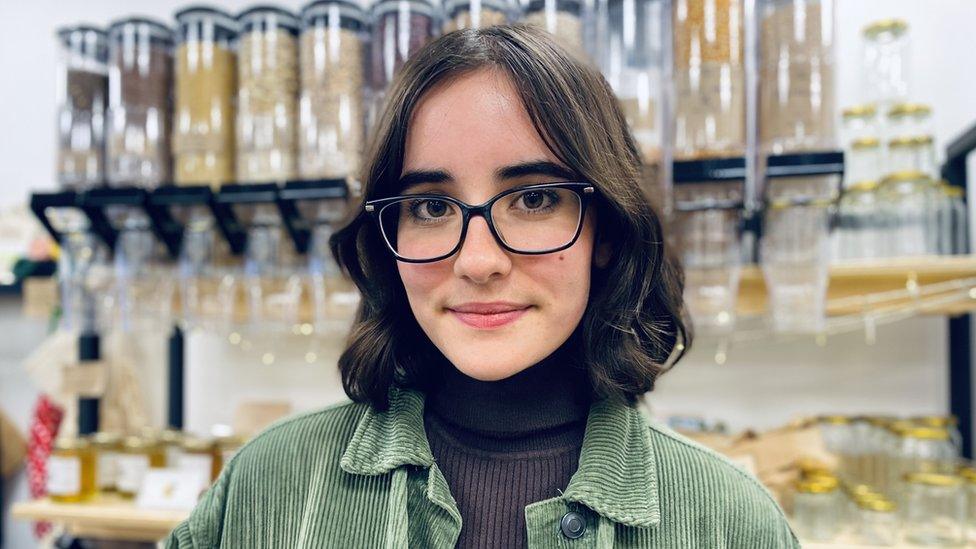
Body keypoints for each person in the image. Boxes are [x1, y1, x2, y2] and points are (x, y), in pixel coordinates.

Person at [166, 24, 799, 548]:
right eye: (432, 208)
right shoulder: (265, 487)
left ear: (605, 229)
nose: (478, 261)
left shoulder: (732, 523)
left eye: (532, 197)